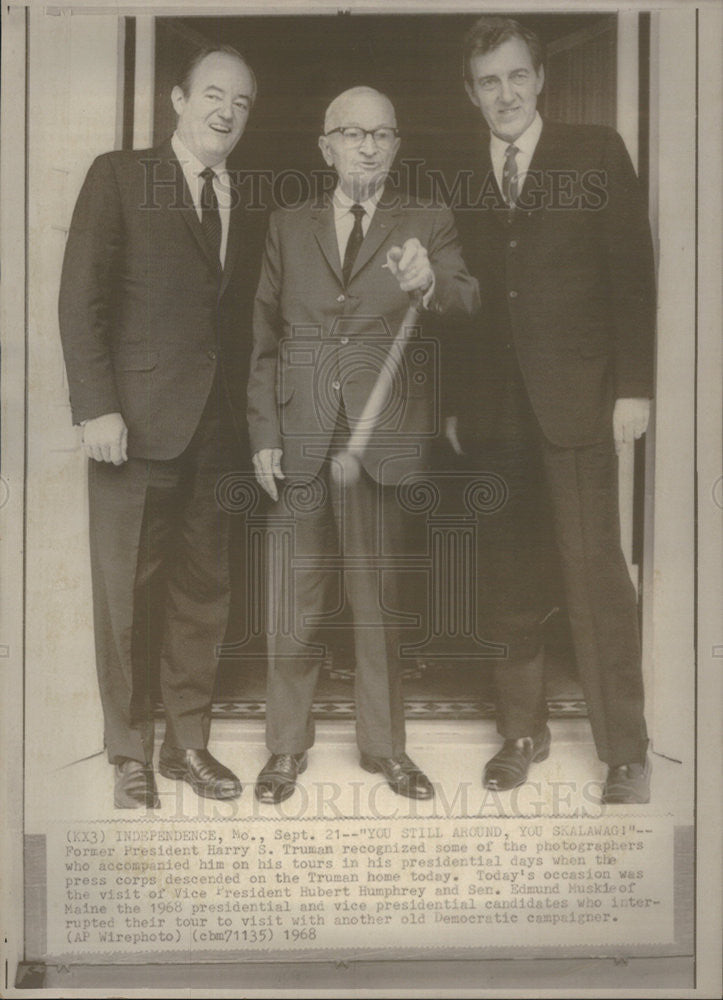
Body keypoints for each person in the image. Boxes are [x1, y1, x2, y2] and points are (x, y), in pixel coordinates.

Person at [247, 86, 479, 804]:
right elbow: (262, 339)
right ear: (325, 147)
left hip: (382, 441)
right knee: (297, 599)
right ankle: (285, 747)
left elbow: (467, 297)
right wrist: (262, 436)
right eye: (351, 134)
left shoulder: (427, 220)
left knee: (376, 601)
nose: (368, 146)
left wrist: (429, 279)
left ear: (396, 145)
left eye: (381, 134)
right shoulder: (288, 225)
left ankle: (385, 749)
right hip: (302, 435)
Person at [447, 16, 656, 803]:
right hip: (494, 415)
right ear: (472, 93)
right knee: (507, 577)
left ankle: (624, 752)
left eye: (515, 76)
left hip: (579, 400)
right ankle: (520, 733)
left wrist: (633, 387)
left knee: (593, 574)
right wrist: (457, 406)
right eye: (488, 82)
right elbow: (466, 295)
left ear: (540, 80)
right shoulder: (463, 171)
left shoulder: (594, 151)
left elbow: (630, 277)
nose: (504, 93)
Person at [58, 46, 261, 808]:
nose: (226, 112)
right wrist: (95, 406)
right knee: (126, 596)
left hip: (214, 435)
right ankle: (128, 753)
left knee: (201, 592)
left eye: (242, 103)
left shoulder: (241, 193)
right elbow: (82, 299)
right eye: (213, 94)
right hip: (133, 428)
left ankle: (187, 744)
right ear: (177, 98)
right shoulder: (119, 175)